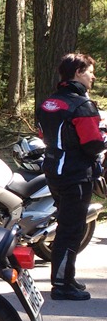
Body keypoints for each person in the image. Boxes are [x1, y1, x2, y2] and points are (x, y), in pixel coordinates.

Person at [36, 52, 103, 301]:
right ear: (78, 73)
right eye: (90, 72)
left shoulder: (49, 102)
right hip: (76, 174)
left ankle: (66, 277)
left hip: (54, 171)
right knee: (71, 230)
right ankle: (62, 285)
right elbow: (93, 145)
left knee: (66, 227)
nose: (92, 77)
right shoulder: (82, 105)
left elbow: (43, 134)